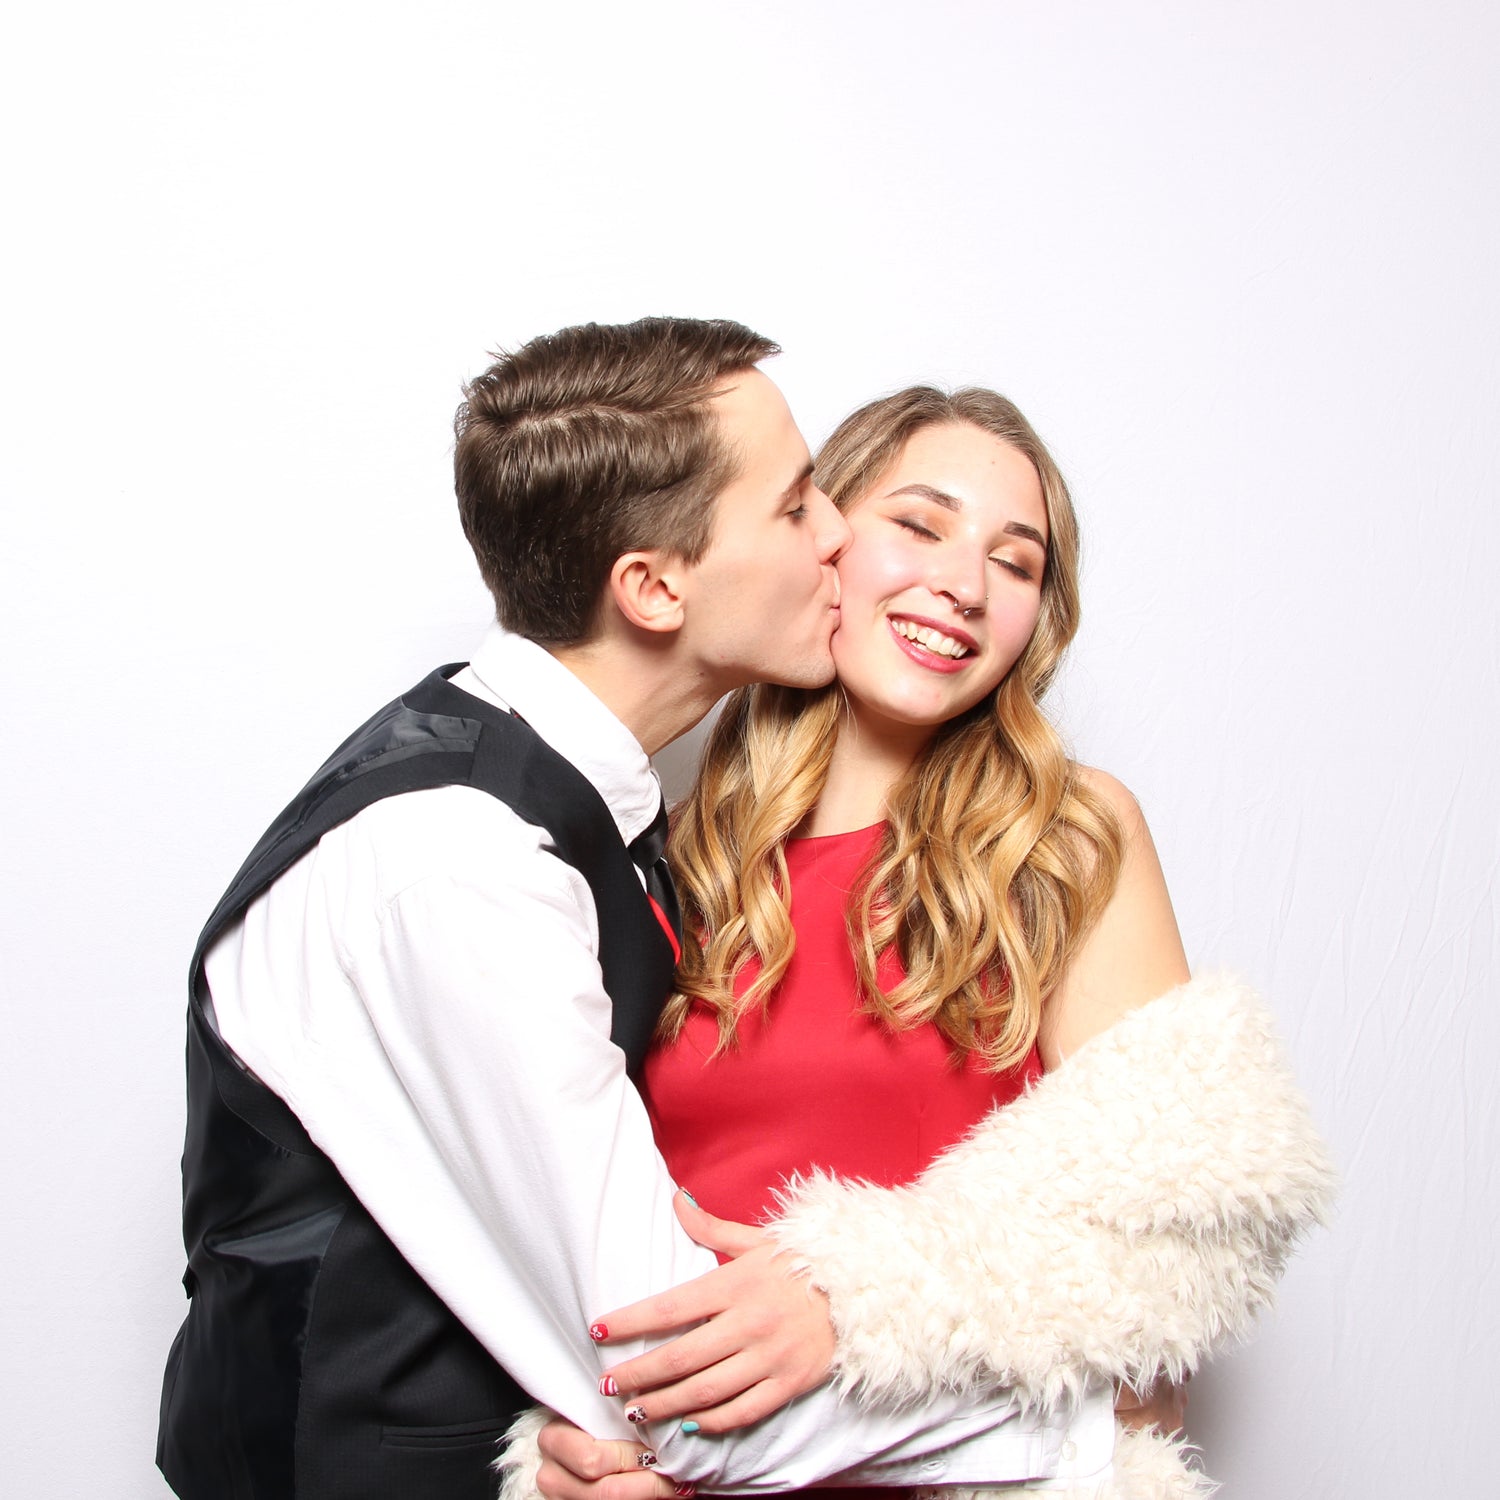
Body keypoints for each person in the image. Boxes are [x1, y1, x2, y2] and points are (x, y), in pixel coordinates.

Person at [156, 324, 1119, 1500]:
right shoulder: (459, 865)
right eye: (800, 504)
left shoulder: (608, 821)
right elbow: (691, 1395)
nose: (839, 537)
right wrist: (1089, 1432)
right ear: (655, 587)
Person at [510, 387, 1335, 1500]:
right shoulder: (673, 853)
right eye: (921, 523)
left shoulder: (1065, 839)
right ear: (823, 540)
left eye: (1018, 560)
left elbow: (1178, 1236)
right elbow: (572, 1215)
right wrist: (580, 1438)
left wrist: (854, 1298)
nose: (963, 583)